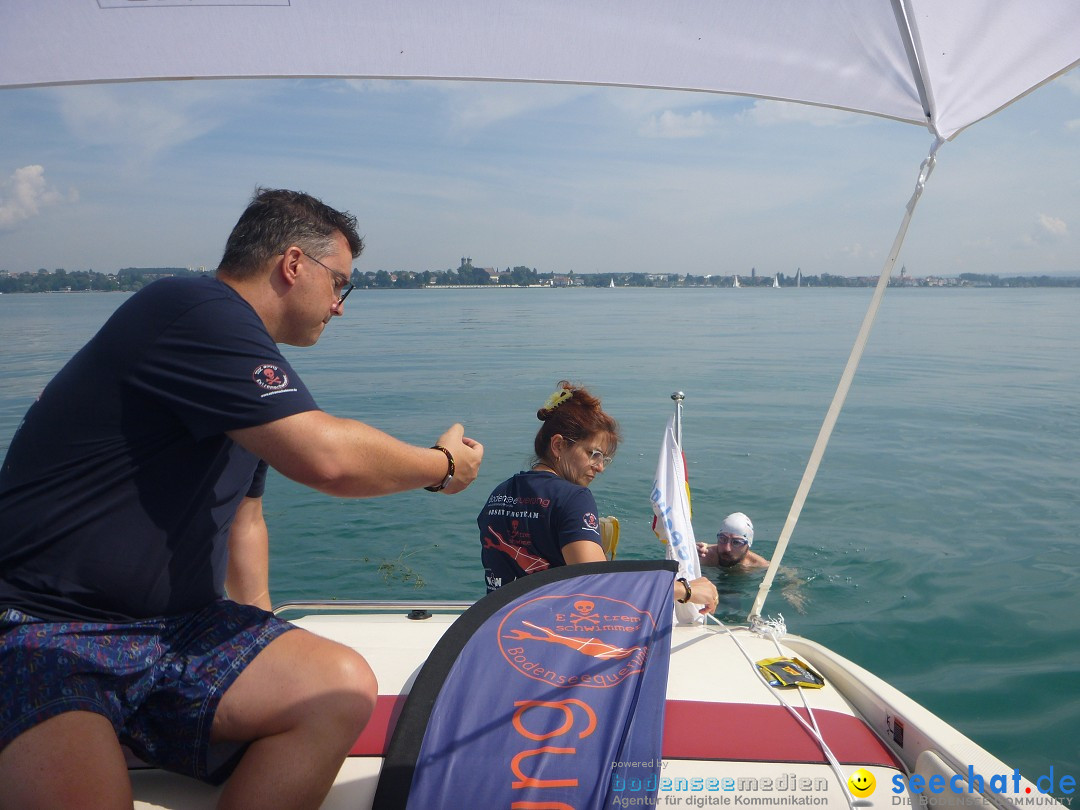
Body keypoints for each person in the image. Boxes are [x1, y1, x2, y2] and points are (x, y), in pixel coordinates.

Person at [0, 187, 483, 809]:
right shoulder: (190, 308)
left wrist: (258, 624)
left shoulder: (240, 360)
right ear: (293, 265)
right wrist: (443, 466)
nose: (339, 308)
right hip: (47, 629)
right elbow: (327, 459)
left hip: (177, 632)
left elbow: (244, 516)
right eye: (341, 285)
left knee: (339, 686)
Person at [478, 381, 717, 614]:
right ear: (559, 445)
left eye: (604, 459)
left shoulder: (499, 494)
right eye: (593, 454)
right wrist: (684, 589)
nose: (600, 467)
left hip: (498, 627)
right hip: (551, 635)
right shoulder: (573, 498)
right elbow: (602, 586)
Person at [696, 512, 769, 570]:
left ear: (748, 544)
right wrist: (692, 549)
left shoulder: (759, 566)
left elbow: (779, 573)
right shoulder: (704, 556)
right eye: (723, 539)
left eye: (736, 542)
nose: (727, 548)